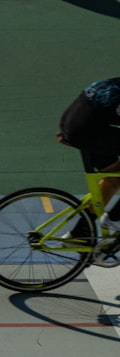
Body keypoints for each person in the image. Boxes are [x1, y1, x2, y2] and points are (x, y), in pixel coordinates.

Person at [60, 77, 120, 241]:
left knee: (113, 180)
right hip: (85, 128)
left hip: (75, 122)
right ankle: (114, 219)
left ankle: (78, 233)